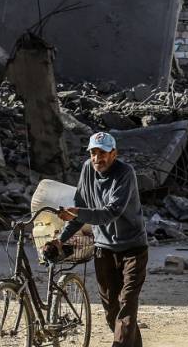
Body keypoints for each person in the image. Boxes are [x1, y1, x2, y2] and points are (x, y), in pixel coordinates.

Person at [46, 132, 148, 347]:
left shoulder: (125, 173)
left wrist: (76, 213)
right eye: (93, 153)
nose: (97, 158)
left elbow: (110, 212)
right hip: (103, 249)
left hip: (133, 248)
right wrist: (60, 239)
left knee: (127, 304)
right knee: (112, 311)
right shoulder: (87, 170)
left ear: (114, 154)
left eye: (102, 153)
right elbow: (79, 210)